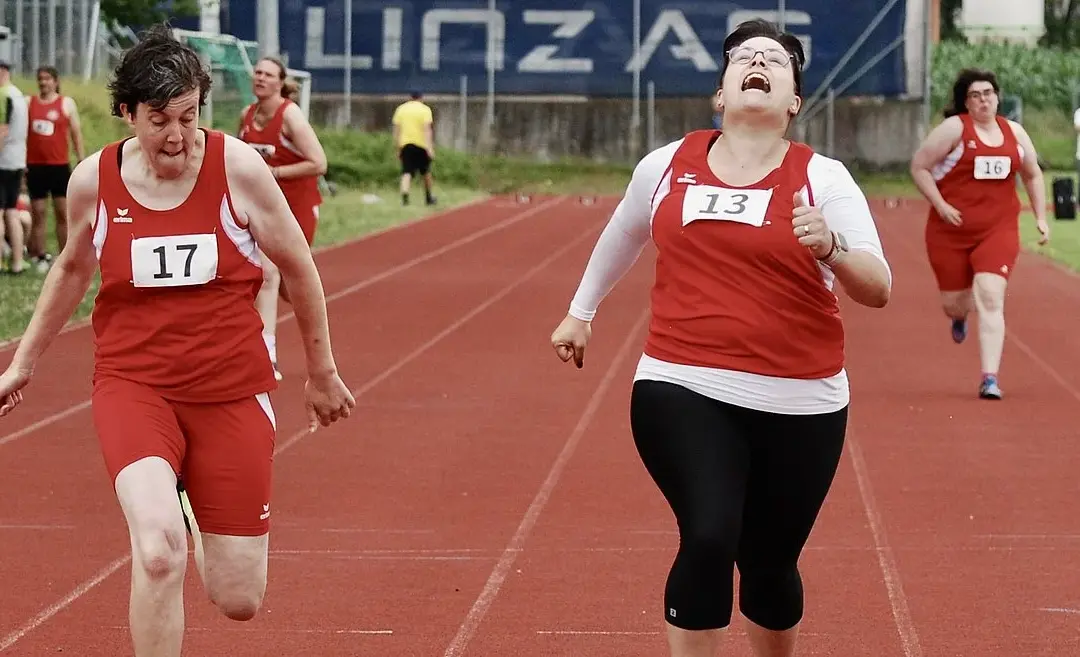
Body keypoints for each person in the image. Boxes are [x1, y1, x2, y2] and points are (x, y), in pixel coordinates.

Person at [0, 24, 355, 656]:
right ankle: (167, 501)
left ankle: (193, 492)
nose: (177, 135)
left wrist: (321, 371)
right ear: (127, 114)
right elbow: (72, 269)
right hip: (135, 387)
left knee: (238, 598)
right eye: (159, 119)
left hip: (230, 390)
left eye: (189, 116)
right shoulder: (95, 180)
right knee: (160, 551)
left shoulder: (238, 169)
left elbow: (299, 268)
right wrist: (23, 363)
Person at [549, 19, 891, 657]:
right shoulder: (665, 166)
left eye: (777, 60)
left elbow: (878, 286)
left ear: (793, 101)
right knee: (709, 535)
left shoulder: (825, 179)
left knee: (769, 564)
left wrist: (834, 247)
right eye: (744, 57)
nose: (759, 61)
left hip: (802, 398)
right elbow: (624, 234)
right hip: (682, 381)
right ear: (720, 93)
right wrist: (581, 311)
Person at [910, 67, 1048, 400]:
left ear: (997, 97)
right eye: (975, 95)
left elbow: (1032, 175)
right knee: (955, 305)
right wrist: (941, 204)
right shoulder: (954, 130)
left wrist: (1041, 218)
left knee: (990, 294)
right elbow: (919, 166)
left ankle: (989, 377)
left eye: (988, 93)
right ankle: (959, 318)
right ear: (966, 102)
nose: (983, 100)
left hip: (997, 229)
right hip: (950, 231)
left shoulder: (1014, 133)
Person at [237, 56, 327, 381]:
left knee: (291, 282)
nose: (260, 78)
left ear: (280, 82)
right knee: (266, 272)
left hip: (296, 206)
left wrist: (275, 172)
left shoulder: (291, 116)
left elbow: (319, 163)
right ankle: (267, 354)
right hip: (261, 209)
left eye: (268, 74)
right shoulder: (246, 116)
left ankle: (311, 301)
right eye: (257, 73)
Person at [25, 64, 85, 273]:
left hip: (59, 166)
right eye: (40, 78)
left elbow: (76, 133)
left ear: (55, 81)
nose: (43, 82)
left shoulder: (66, 104)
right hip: (35, 166)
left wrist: (80, 158)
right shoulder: (29, 103)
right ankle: (39, 254)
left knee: (62, 212)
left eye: (47, 78)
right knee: (38, 212)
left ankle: (65, 254)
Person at [0, 59, 27, 275]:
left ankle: (0, 262)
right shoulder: (18, 95)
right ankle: (18, 261)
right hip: (17, 159)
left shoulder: (3, 95)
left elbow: (2, 131)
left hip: (2, 161)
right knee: (11, 211)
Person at [391, 91, 436, 206]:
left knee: (406, 172)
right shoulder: (425, 110)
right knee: (425, 172)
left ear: (410, 98)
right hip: (421, 144)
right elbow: (427, 129)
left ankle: (405, 197)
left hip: (405, 144)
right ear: (421, 98)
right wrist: (429, 147)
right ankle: (428, 196)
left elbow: (396, 130)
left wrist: (397, 147)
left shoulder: (401, 109)